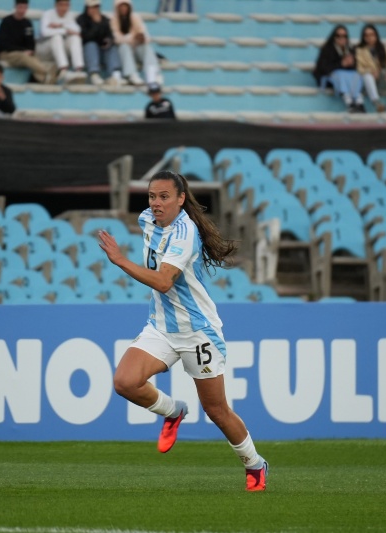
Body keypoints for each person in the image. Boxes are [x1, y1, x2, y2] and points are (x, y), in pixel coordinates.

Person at [97, 170, 269, 492]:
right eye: (152, 196)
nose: (156, 203)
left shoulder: (185, 232)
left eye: (164, 197)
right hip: (161, 326)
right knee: (125, 381)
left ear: (180, 199)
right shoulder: (148, 219)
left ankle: (255, 464)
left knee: (217, 410)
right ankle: (173, 411)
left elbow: (163, 281)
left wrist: (120, 260)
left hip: (197, 331)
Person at [0, 0, 55, 84]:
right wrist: (22, 51)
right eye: (20, 7)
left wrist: (30, 51)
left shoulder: (27, 23)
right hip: (6, 53)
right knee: (24, 57)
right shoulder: (6, 22)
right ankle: (46, 72)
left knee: (34, 57)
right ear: (15, 7)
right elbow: (3, 43)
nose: (22, 10)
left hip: (24, 53)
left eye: (25, 8)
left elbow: (31, 42)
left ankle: (41, 80)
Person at [312, 25, 365, 113]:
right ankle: (349, 102)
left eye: (344, 36)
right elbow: (323, 68)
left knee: (357, 75)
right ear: (334, 37)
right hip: (330, 77)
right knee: (340, 74)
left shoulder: (350, 49)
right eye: (338, 36)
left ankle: (359, 101)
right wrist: (341, 64)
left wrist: (351, 64)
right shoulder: (327, 49)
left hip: (348, 77)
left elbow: (355, 67)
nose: (341, 38)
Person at [111, 0, 161, 86]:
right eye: (121, 6)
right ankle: (131, 75)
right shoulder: (113, 20)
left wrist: (142, 38)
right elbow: (117, 39)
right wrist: (132, 37)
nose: (124, 9)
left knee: (146, 47)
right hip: (122, 53)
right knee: (124, 46)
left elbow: (145, 35)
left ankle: (152, 74)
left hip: (136, 49)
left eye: (125, 6)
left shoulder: (136, 18)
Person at [356, 24, 386, 113]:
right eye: (366, 35)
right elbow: (359, 68)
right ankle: (376, 102)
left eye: (372, 35)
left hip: (383, 78)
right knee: (367, 76)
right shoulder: (360, 50)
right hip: (369, 81)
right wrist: (371, 72)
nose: (369, 38)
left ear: (376, 35)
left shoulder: (385, 48)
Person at [37, 0, 86, 84]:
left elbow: (77, 30)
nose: (64, 8)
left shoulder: (69, 15)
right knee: (56, 37)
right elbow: (45, 32)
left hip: (60, 49)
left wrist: (60, 26)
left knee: (75, 38)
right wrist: (65, 30)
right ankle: (63, 69)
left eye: (66, 5)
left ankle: (78, 69)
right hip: (45, 50)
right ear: (56, 5)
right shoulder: (48, 14)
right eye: (61, 5)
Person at [77, 0, 123, 86]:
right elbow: (86, 37)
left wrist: (108, 41)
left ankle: (115, 75)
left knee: (111, 47)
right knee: (91, 45)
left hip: (102, 51)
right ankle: (94, 75)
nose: (94, 10)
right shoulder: (81, 20)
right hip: (88, 52)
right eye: (91, 7)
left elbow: (110, 35)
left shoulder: (105, 20)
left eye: (96, 7)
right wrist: (96, 23)